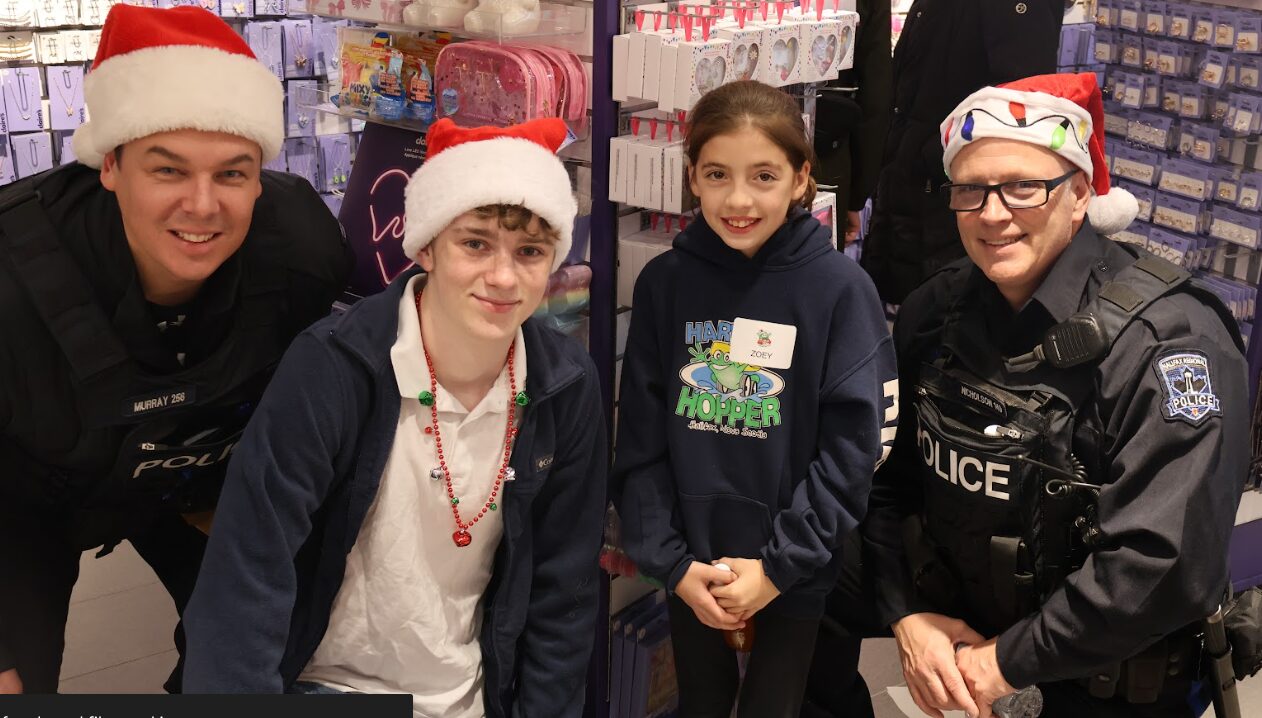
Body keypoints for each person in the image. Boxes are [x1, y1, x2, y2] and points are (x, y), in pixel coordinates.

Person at [181, 118, 607, 718]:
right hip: (324, 683)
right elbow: (247, 573)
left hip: (477, 694)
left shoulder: (564, 385)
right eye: (476, 243)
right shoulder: (334, 368)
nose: (505, 277)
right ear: (426, 246)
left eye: (531, 252)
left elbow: (563, 592)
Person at [863, 73, 1248, 718]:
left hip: (1102, 694)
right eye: (971, 189)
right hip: (953, 677)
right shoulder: (934, 313)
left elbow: (1162, 563)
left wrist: (1001, 664)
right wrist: (907, 616)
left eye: (1023, 186)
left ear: (1078, 196)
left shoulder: (1171, 343)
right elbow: (887, 483)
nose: (992, 213)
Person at [0, 5, 351, 695]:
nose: (202, 205)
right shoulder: (13, 274)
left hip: (205, 478)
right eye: (167, 170)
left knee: (284, 644)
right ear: (109, 165)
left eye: (232, 173)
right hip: (27, 497)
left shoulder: (302, 255)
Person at [612, 80, 898, 718]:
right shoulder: (667, 284)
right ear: (692, 177)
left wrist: (777, 568)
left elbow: (855, 448)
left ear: (801, 178)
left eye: (763, 176)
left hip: (794, 572)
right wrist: (672, 563)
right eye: (717, 174)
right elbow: (640, 436)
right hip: (692, 569)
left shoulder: (840, 290)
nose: (738, 199)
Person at [859, 0, 1064, 304]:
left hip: (956, 205)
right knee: (920, 317)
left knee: (949, 317)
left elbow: (1019, 107)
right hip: (919, 195)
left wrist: (936, 158)